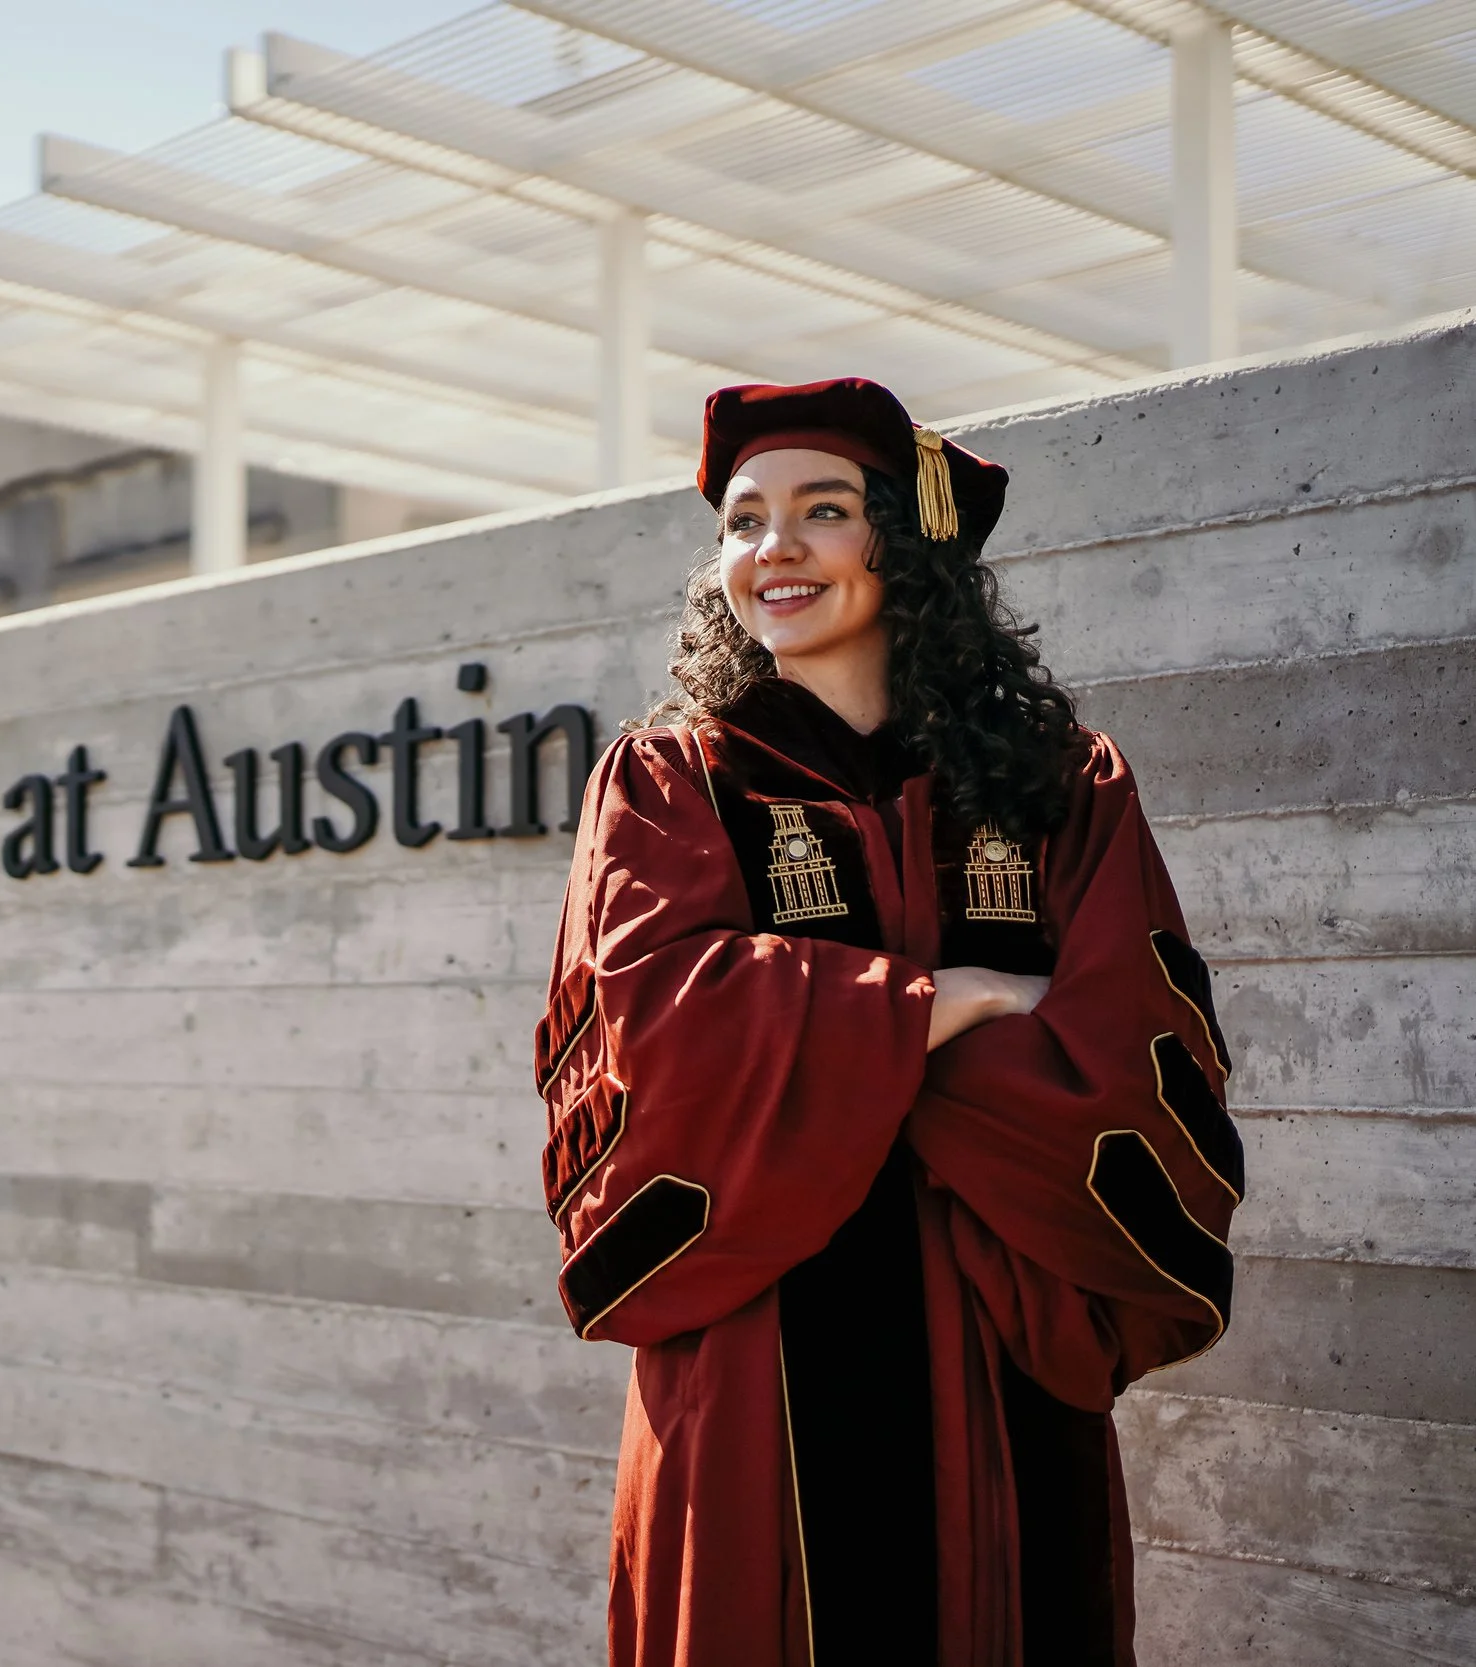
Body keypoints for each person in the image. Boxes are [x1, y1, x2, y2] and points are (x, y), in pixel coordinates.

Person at [535, 378, 1241, 1667]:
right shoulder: (673, 779)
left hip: (1001, 1321)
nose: (775, 549)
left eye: (823, 511)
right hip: (765, 1343)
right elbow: (657, 1028)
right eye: (744, 522)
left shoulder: (1058, 785)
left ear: (905, 549)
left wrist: (829, 1058)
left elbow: (1132, 1048)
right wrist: (946, 1004)